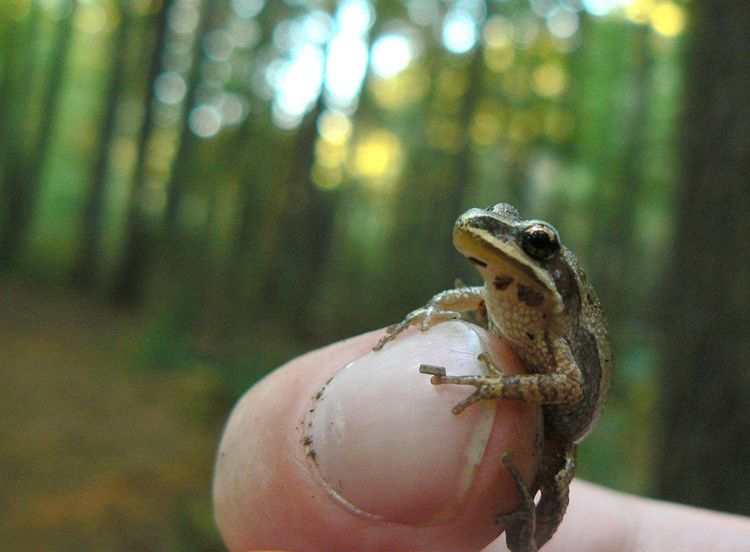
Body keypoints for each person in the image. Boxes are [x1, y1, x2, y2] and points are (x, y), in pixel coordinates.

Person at [213, 322, 750, 551]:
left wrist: (496, 385)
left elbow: (568, 382)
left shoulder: (553, 318)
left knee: (544, 498)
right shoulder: (503, 290)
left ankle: (523, 529)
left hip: (559, 437)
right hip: (528, 428)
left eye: (535, 243)